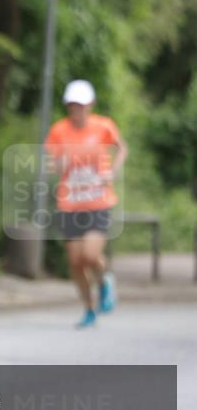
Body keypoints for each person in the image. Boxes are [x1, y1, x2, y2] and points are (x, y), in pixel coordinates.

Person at [44, 79, 128, 328]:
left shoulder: (103, 127)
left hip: (98, 200)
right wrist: (61, 163)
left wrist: (112, 172)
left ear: (90, 104)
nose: (76, 109)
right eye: (72, 105)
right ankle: (89, 309)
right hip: (70, 202)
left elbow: (122, 148)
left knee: (91, 255)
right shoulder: (59, 131)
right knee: (76, 261)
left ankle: (104, 282)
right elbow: (53, 164)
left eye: (80, 104)